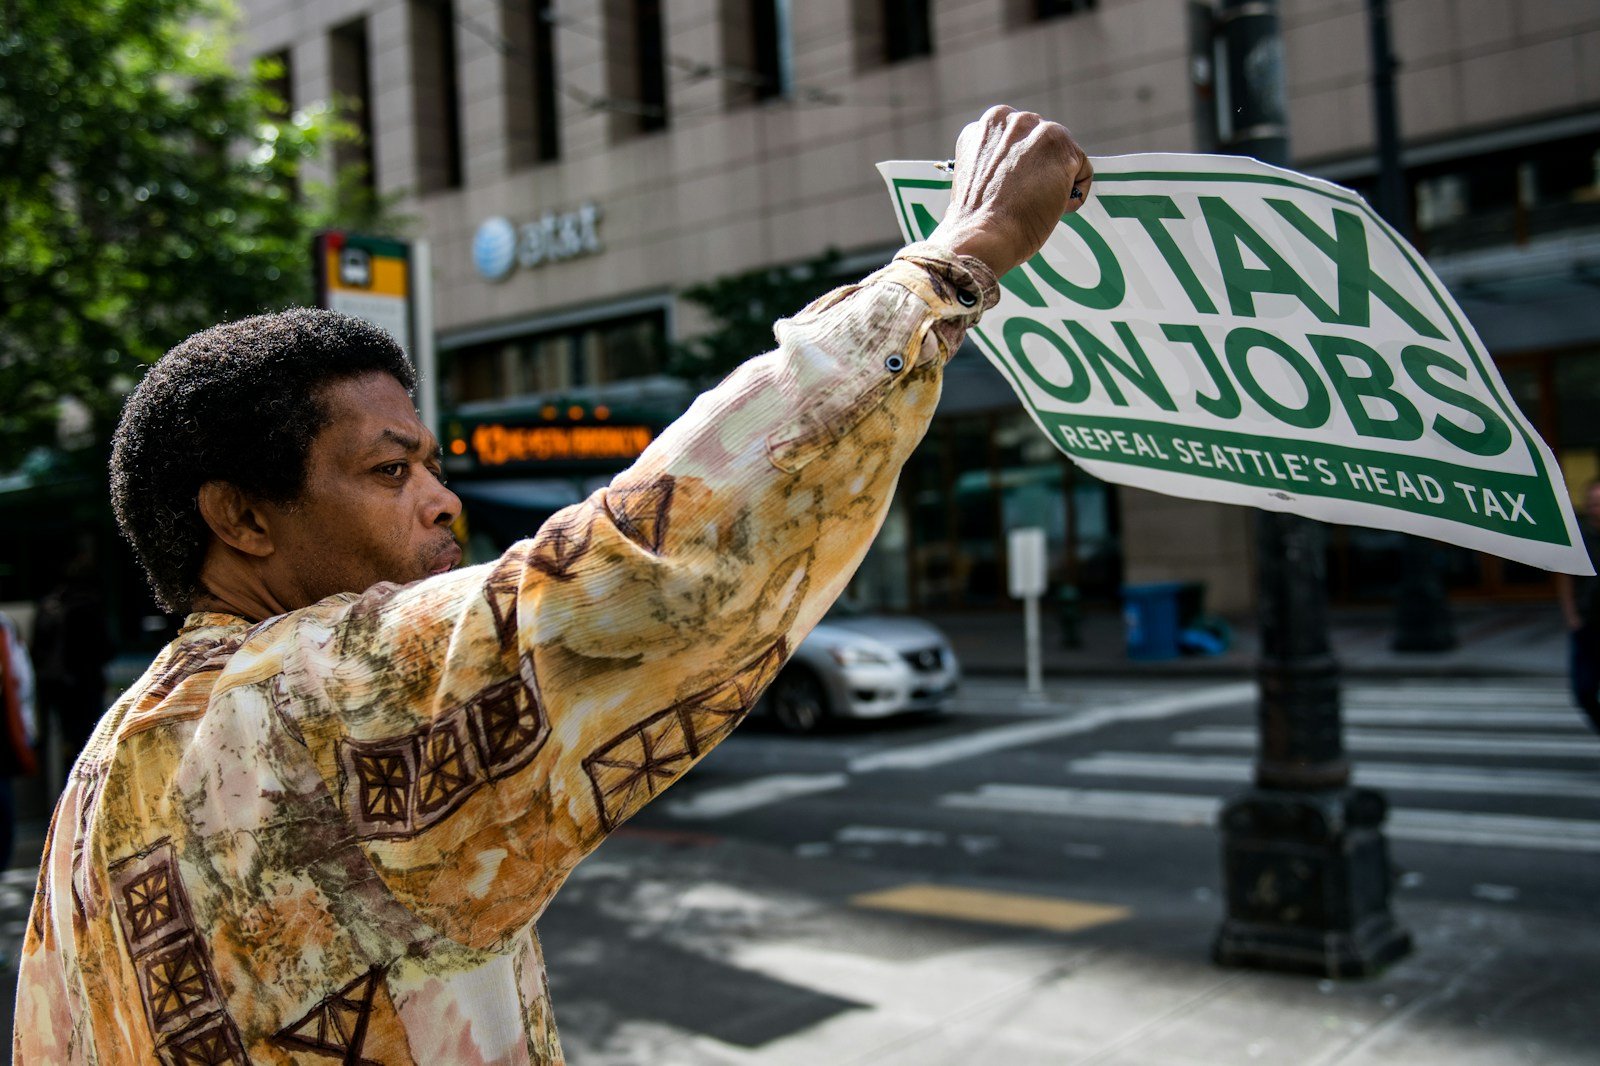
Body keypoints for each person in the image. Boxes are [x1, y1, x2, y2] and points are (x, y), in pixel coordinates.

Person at [14, 106, 1092, 1063]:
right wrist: (958, 259)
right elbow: (646, 573)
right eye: (390, 470)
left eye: (432, 465)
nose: (442, 502)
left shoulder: (105, 770)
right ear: (241, 518)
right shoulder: (302, 701)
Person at [32, 545, 114, 773]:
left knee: (65, 744)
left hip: (57, 688)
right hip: (87, 686)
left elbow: (37, 650)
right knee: (91, 742)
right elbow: (106, 648)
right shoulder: (90, 605)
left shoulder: (48, 605)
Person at [1557, 479, 1600, 733]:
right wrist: (1571, 615)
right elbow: (1565, 577)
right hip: (1587, 624)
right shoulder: (1580, 537)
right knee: (1583, 689)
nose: (1596, 508)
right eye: (1593, 503)